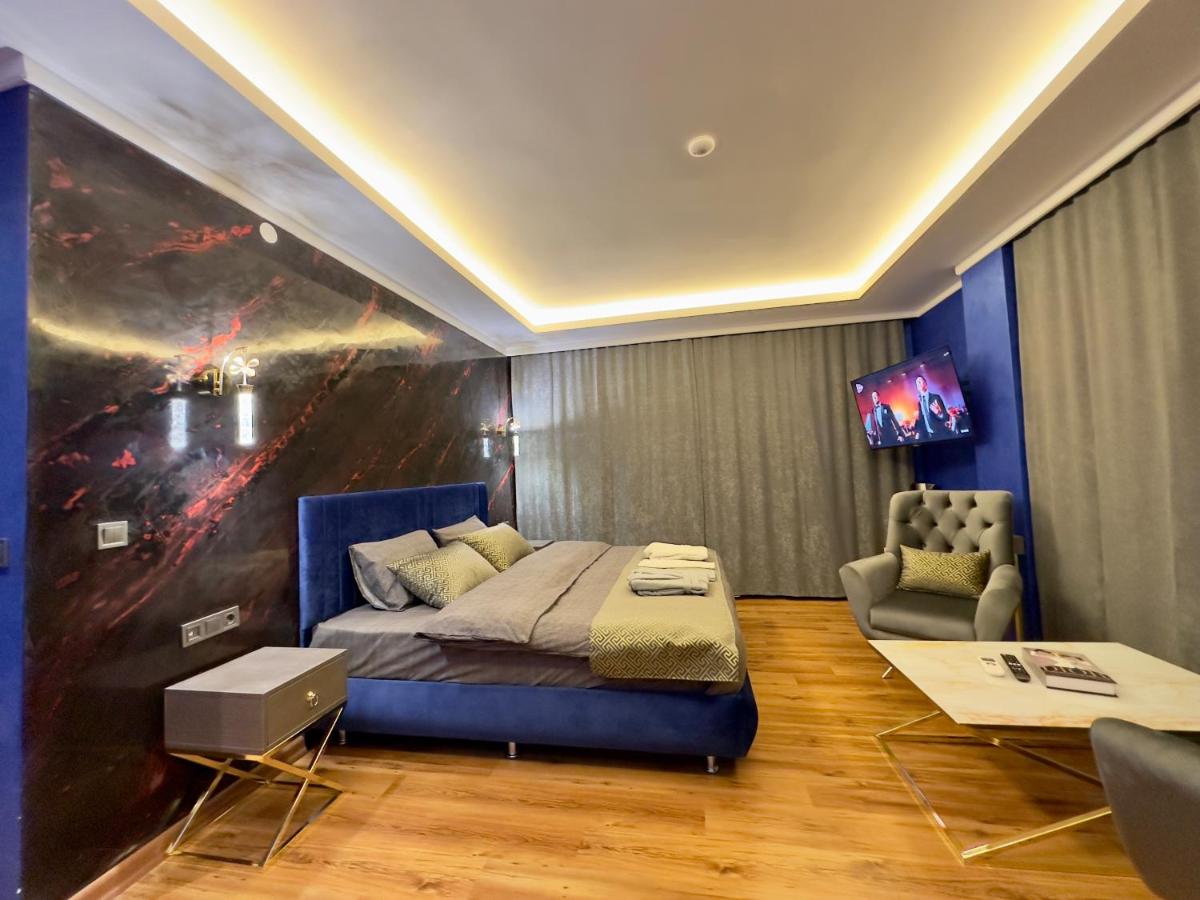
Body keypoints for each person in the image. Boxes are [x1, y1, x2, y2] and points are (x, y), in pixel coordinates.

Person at [912, 374, 948, 440]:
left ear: (925, 384)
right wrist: (918, 432)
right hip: (928, 436)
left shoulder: (936, 397)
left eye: (920, 381)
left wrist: (939, 413)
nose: (918, 384)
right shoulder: (919, 402)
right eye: (917, 383)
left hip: (940, 433)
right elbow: (921, 419)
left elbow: (945, 416)